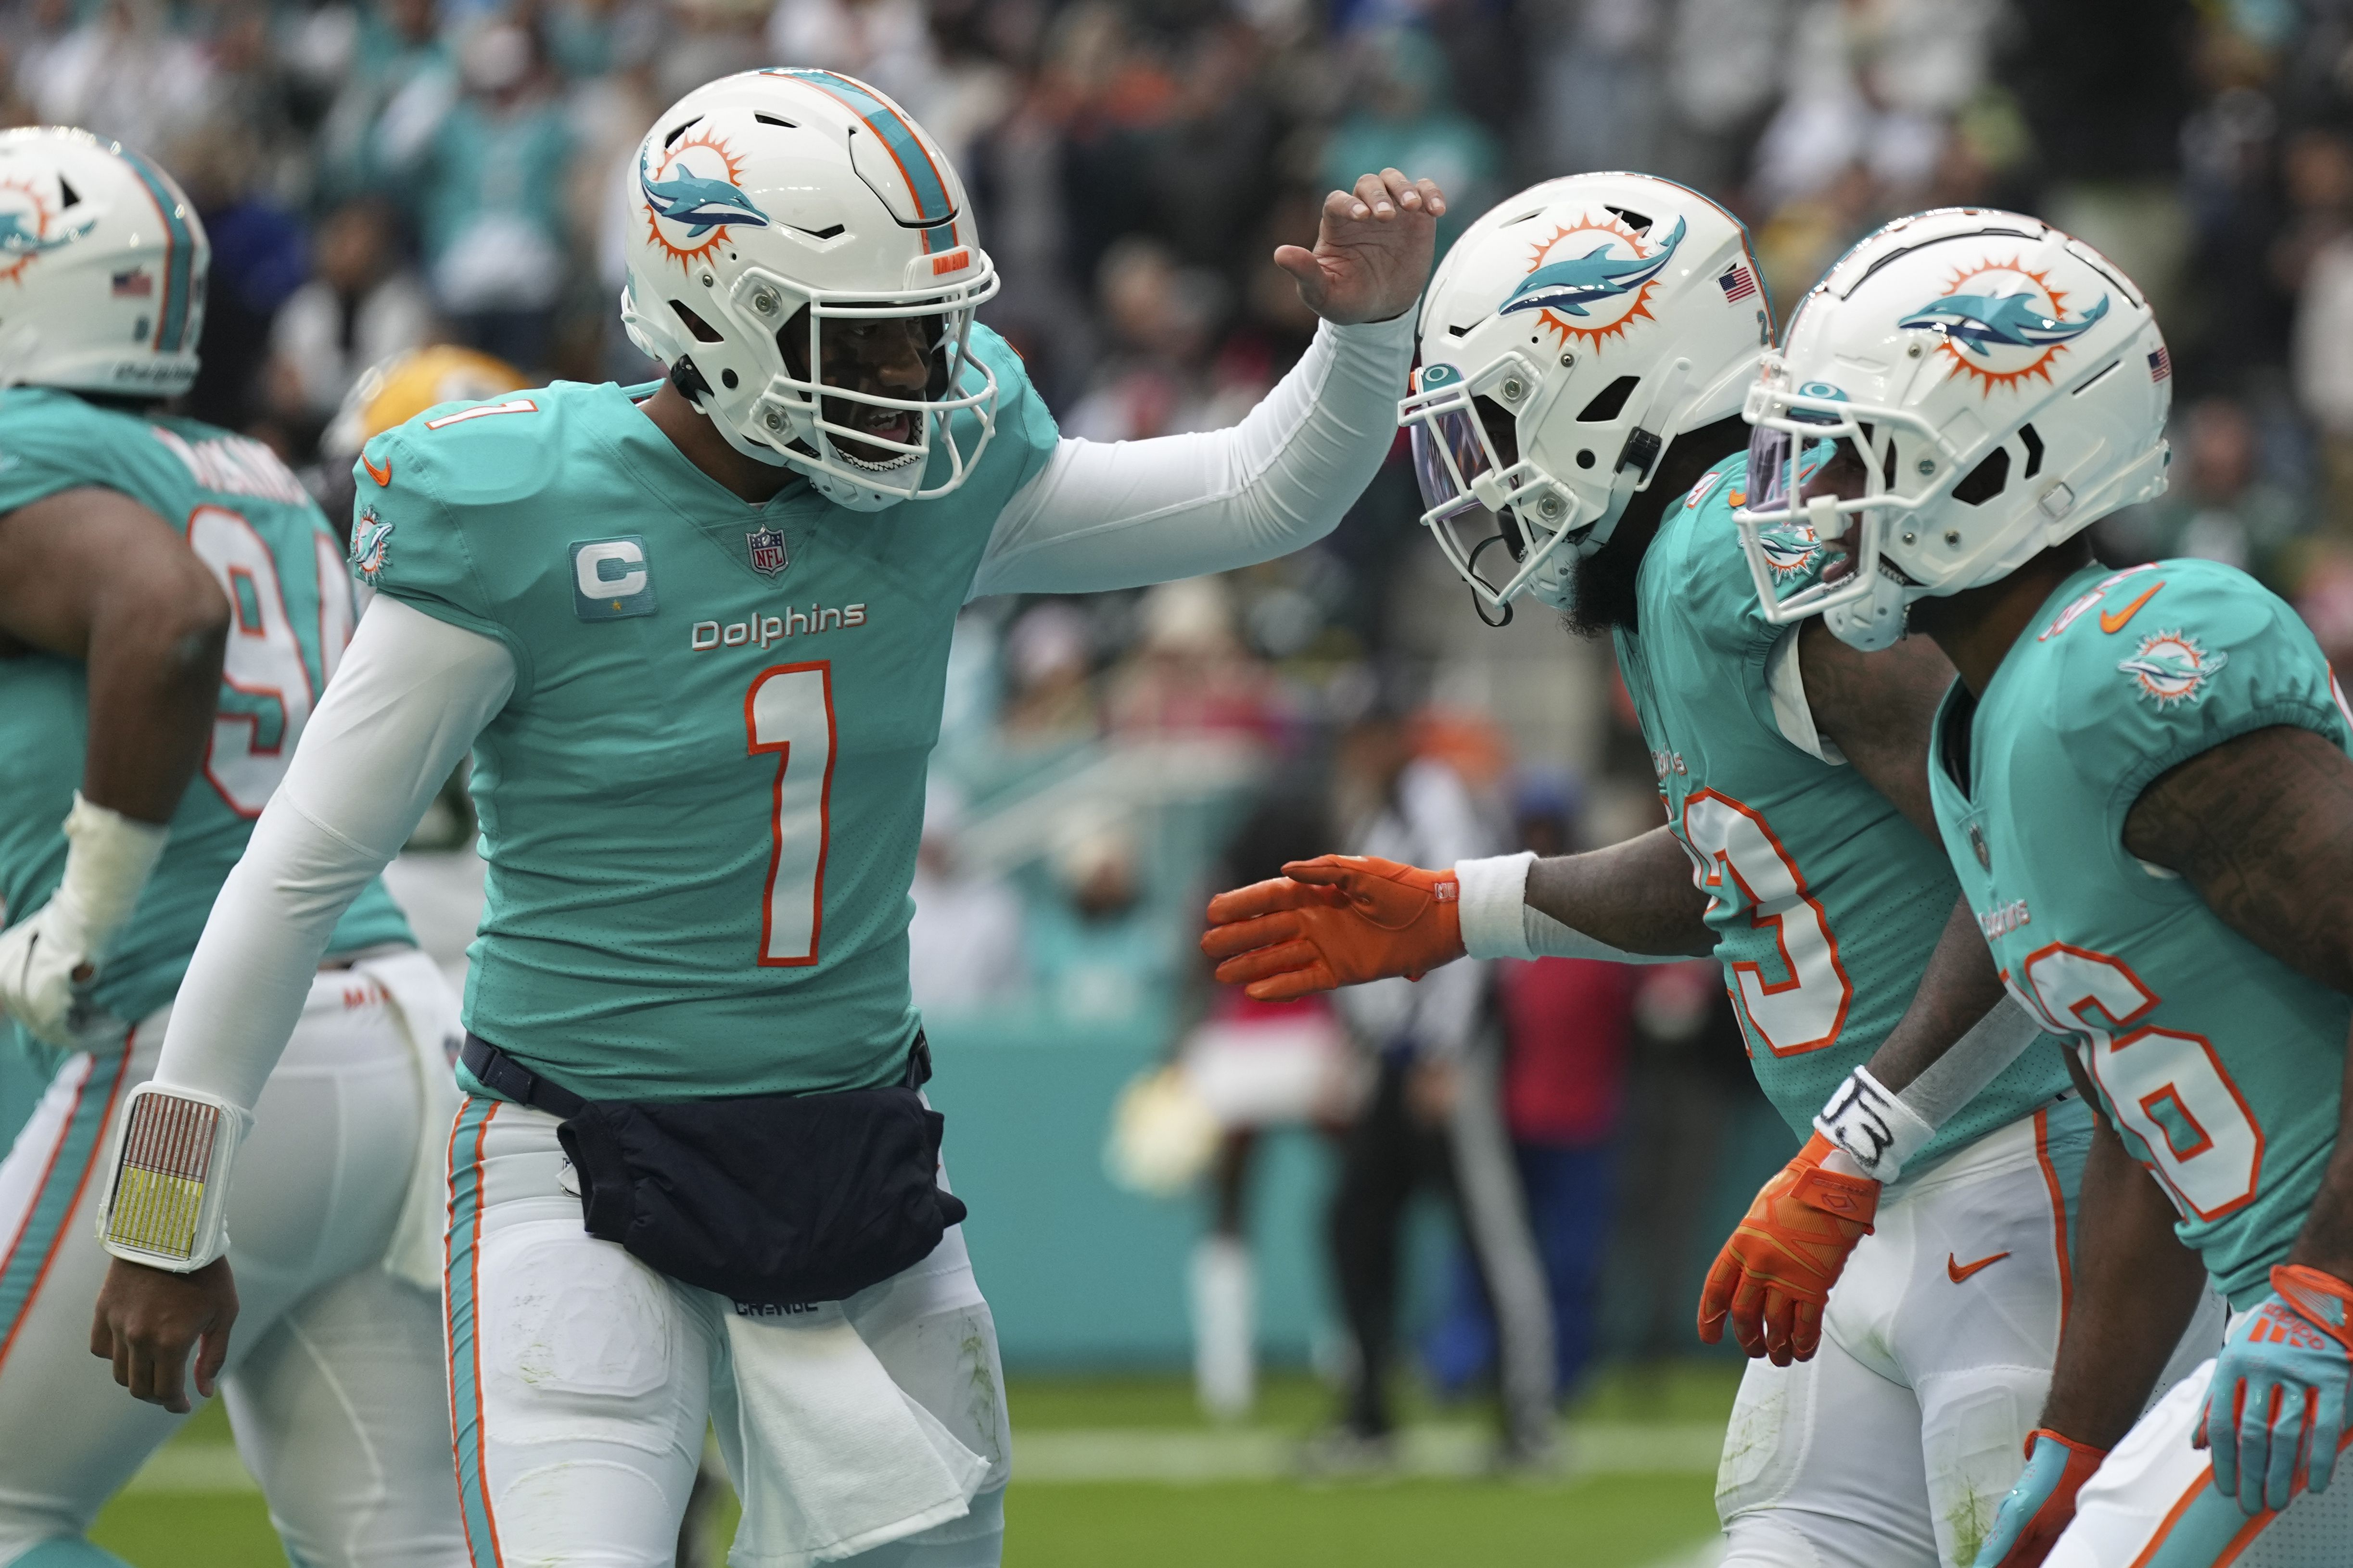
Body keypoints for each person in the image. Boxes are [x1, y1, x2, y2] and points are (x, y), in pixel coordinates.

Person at [87, 69, 1446, 1566]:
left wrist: (1365, 334)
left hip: (855, 1149)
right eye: (870, 337)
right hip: (575, 1149)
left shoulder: (937, 476)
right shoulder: (532, 508)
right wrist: (164, 1207)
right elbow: (300, 868)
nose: (925, 377)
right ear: (716, 307)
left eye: (933, 331)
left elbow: (1257, 491)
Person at [1201, 172, 2220, 1568]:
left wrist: (1860, 1140)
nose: (1477, 469)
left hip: (2010, 1175)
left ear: (1609, 378)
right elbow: (1752, 866)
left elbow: (2034, 863)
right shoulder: (1670, 571)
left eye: (1493, 418)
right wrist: (1466, 908)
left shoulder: (1735, 554)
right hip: (1889, 1199)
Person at [1736, 205, 2353, 1566]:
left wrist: (2324, 1289)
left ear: (1999, 466)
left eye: (1842, 458)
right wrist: (2076, 1438)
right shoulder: (1978, 730)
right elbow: (2142, 1131)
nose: (1796, 501)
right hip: (2277, 1319)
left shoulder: (2121, 672)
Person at [0, 126, 463, 1566]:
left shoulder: (30, 452)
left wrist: (85, 905)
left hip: (188, 1065)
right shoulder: (250, 465)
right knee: (403, 1549)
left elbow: (171, 615)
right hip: (393, 1033)